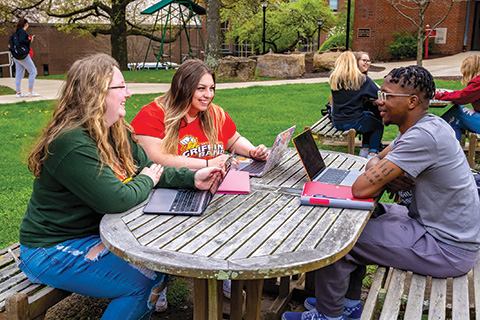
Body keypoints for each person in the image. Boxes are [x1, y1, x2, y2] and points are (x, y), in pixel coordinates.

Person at [18, 53, 223, 320]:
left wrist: (192, 179)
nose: (128, 93)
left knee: (160, 263)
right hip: (50, 248)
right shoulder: (71, 142)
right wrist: (146, 180)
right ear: (98, 93)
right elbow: (116, 199)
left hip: (92, 235)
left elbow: (151, 167)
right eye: (121, 87)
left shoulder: (115, 129)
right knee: (140, 284)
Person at [283, 65, 480, 320]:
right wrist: (387, 174)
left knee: (338, 238)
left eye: (387, 96)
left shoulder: (424, 136)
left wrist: (384, 175)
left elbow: (361, 186)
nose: (379, 101)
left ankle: (328, 315)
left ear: (411, 101)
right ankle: (348, 304)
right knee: (367, 213)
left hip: (446, 247)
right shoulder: (423, 126)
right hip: (437, 227)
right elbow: (373, 161)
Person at [130, 58, 268, 170]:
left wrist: (252, 151)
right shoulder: (151, 116)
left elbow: (234, 140)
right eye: (201, 89)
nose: (208, 95)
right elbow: (157, 159)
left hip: (214, 185)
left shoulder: (216, 113)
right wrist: (208, 164)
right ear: (183, 88)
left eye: (212, 88)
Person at [329, 51, 384, 159]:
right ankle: (372, 154)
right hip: (353, 122)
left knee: (369, 117)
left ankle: (365, 150)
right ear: (354, 62)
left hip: (337, 121)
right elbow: (378, 94)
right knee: (378, 126)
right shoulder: (362, 79)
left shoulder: (334, 78)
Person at [435, 54, 480, 141]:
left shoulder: (478, 82)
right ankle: (454, 153)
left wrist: (438, 95)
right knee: (455, 121)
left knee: (456, 111)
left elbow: (462, 97)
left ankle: (433, 130)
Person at [12, 17, 39, 98]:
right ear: (26, 24)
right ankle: (30, 91)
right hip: (23, 56)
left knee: (19, 75)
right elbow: (23, 42)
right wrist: (30, 40)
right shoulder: (23, 32)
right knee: (33, 71)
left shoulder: (16, 33)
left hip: (16, 56)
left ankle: (18, 93)